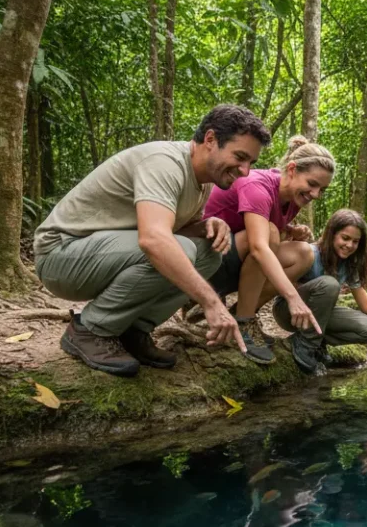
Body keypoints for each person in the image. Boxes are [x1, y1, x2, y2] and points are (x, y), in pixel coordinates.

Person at [34, 104, 270, 377]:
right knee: (176, 249)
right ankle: (90, 329)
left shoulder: (203, 181)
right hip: (61, 257)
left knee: (208, 252)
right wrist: (212, 304)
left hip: (101, 255)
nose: (245, 171)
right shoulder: (164, 162)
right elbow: (154, 240)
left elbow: (171, 230)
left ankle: (132, 330)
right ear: (210, 139)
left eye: (250, 163)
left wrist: (203, 226)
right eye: (239, 157)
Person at [203, 135, 332, 365]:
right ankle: (243, 322)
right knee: (270, 234)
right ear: (292, 169)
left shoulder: (291, 197)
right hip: (206, 261)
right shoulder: (258, 185)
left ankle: (241, 316)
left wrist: (290, 230)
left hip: (233, 258)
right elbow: (259, 246)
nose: (315, 194)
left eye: (322, 189)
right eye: (312, 184)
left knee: (304, 253)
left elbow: (260, 228)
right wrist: (293, 297)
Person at [275, 208, 367, 374]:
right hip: (288, 311)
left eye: (355, 241)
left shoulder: (349, 265)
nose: (349, 245)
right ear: (332, 234)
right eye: (345, 238)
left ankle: (312, 341)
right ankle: (307, 345)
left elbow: (366, 304)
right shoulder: (310, 252)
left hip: (318, 316)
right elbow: (279, 278)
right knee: (329, 284)